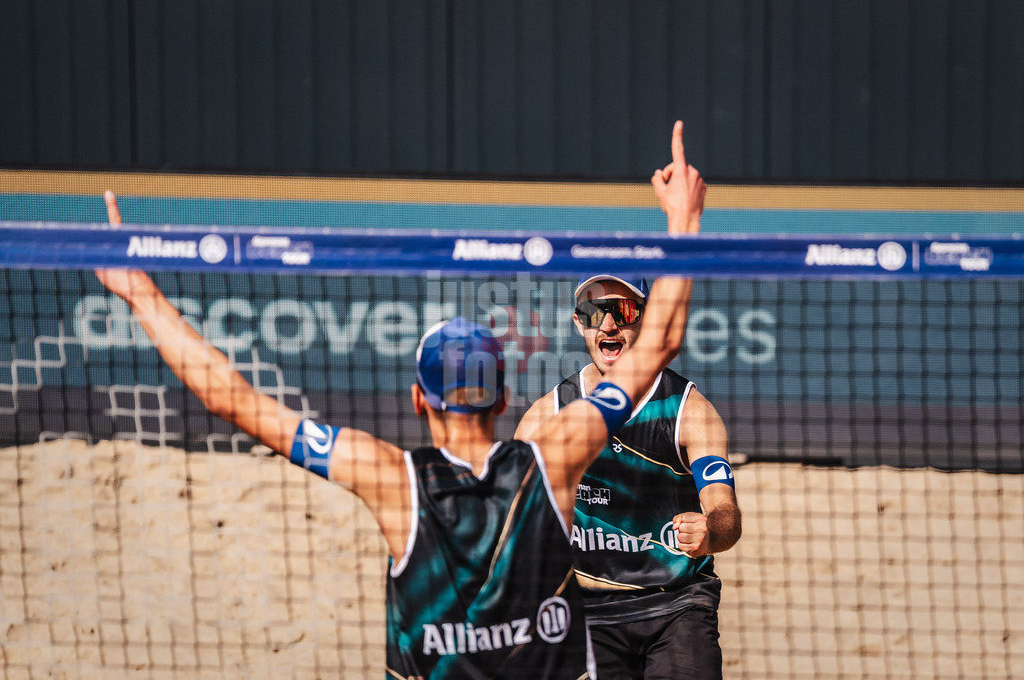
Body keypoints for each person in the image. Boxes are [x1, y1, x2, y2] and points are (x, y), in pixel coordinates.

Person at [94, 122, 701, 679]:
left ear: (419, 399)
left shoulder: (390, 478)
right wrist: (682, 222)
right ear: (503, 398)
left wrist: (140, 294)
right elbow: (662, 339)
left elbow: (232, 399)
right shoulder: (554, 457)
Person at [516, 123, 741, 679]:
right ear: (577, 324)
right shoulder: (547, 416)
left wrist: (710, 530)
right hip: (589, 610)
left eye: (625, 310)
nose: (609, 324)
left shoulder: (689, 410)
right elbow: (513, 527)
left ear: (645, 317)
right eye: (595, 311)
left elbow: (728, 517)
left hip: (678, 603)